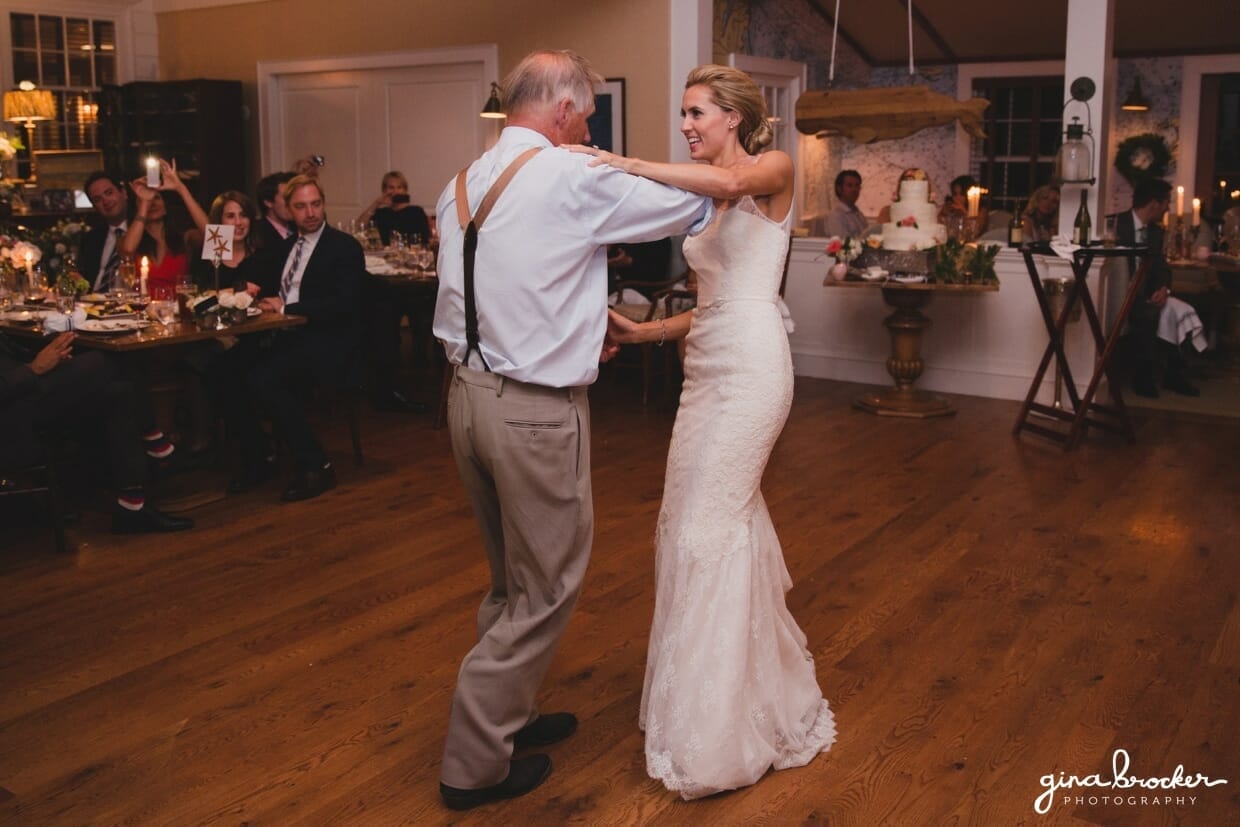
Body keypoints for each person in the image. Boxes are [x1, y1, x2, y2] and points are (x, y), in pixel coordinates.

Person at [431, 49, 712, 811]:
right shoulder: (570, 175)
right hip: (531, 410)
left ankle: (507, 721)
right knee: (550, 583)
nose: (590, 128)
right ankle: (474, 761)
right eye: (586, 114)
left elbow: (515, 282)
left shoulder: (458, 182)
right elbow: (695, 205)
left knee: (511, 575)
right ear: (560, 110)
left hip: (465, 397)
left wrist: (582, 322)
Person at [574, 64, 836, 800]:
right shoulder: (709, 202)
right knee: (685, 522)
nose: (688, 125)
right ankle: (702, 699)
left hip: (755, 368)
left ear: (734, 116)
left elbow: (725, 198)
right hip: (707, 368)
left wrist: (618, 159)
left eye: (697, 113)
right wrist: (649, 329)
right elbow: (714, 299)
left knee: (708, 528)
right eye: (684, 113)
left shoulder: (771, 169)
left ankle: (722, 729)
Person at [214, 175, 365, 501]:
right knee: (223, 370)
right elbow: (248, 279)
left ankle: (317, 464)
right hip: (282, 337)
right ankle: (260, 456)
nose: (310, 212)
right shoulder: (282, 248)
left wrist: (287, 306)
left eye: (315, 204)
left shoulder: (343, 247)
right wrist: (246, 291)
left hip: (327, 340)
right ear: (288, 210)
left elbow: (344, 303)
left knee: (264, 379)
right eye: (300, 206)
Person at [0, 332, 193, 533]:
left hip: (16, 388)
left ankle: (131, 506)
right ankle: (160, 449)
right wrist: (34, 368)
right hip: (10, 411)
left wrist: (41, 357)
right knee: (111, 359)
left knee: (118, 393)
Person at [1116, 177, 1200, 397]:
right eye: (1166, 203)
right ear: (1154, 203)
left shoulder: (1155, 232)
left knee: (1183, 310)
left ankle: (1175, 375)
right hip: (1120, 294)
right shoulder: (1117, 225)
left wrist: (1164, 288)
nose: (1167, 208)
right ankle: (1143, 378)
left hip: (1147, 294)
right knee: (1148, 315)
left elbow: (1162, 267)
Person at [121, 158, 208, 294]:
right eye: (147, 200)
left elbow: (214, 238)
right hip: (142, 310)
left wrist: (180, 188)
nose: (152, 203)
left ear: (166, 206)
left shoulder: (185, 237)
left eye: (157, 198)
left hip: (178, 310)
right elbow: (127, 250)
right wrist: (144, 202)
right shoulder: (128, 239)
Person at [78, 171, 134, 292]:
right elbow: (82, 279)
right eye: (97, 199)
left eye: (109, 193)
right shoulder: (91, 239)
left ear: (123, 193)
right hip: (93, 304)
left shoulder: (142, 231)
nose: (105, 201)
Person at [357, 171, 432, 246]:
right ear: (384, 190)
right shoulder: (381, 213)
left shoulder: (416, 212)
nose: (395, 191)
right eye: (391, 187)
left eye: (399, 187)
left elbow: (425, 240)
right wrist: (376, 203)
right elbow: (358, 227)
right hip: (383, 255)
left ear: (405, 190)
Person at [253, 171, 296, 250]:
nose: (292, 202)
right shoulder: (255, 234)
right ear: (268, 202)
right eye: (286, 197)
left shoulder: (298, 227)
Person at [823, 169, 866, 238]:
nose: (854, 189)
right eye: (849, 185)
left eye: (857, 185)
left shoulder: (858, 213)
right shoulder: (836, 216)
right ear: (839, 189)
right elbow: (844, 245)